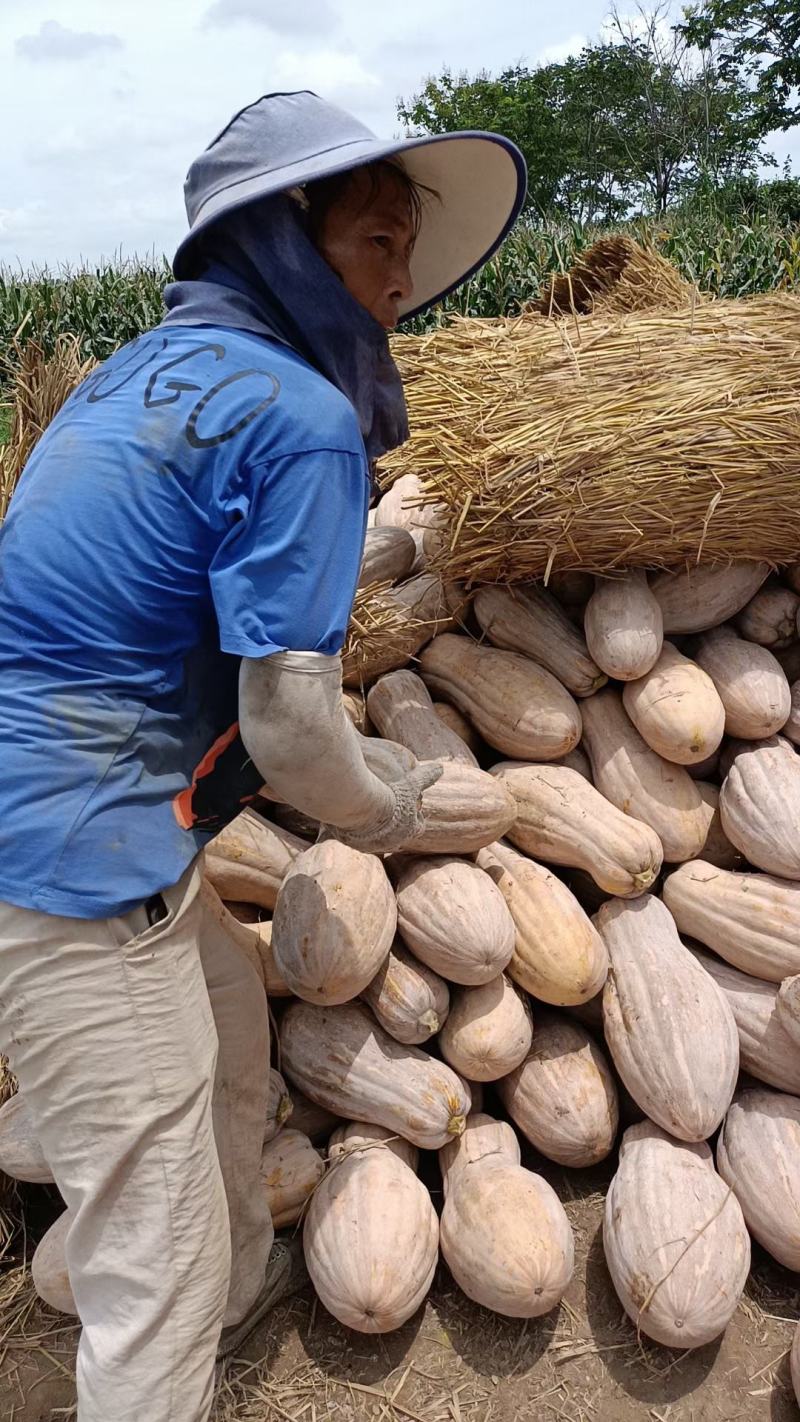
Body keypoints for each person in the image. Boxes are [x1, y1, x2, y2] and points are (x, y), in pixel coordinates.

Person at [0, 91, 526, 1422]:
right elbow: (292, 724)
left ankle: (236, 1278)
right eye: (373, 240)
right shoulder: (295, 410)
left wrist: (389, 544)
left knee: (233, 1035)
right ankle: (191, 1311)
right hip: (76, 875)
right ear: (285, 238)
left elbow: (210, 575)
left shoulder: (138, 377)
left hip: (70, 833)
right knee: (150, 1273)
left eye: (409, 242)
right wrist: (392, 802)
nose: (403, 280)